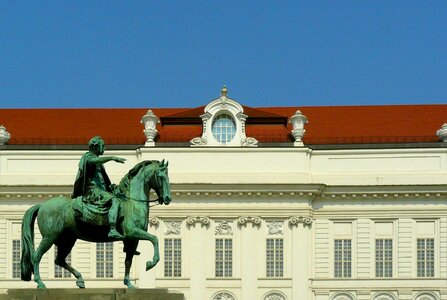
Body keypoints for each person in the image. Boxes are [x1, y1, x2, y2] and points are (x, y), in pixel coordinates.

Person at [72, 136, 126, 239]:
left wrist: (113, 188)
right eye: (103, 146)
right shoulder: (87, 157)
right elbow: (93, 161)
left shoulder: (99, 164)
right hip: (92, 191)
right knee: (115, 201)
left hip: (101, 191)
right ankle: (112, 229)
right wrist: (111, 158)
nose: (104, 148)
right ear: (96, 146)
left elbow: (103, 181)